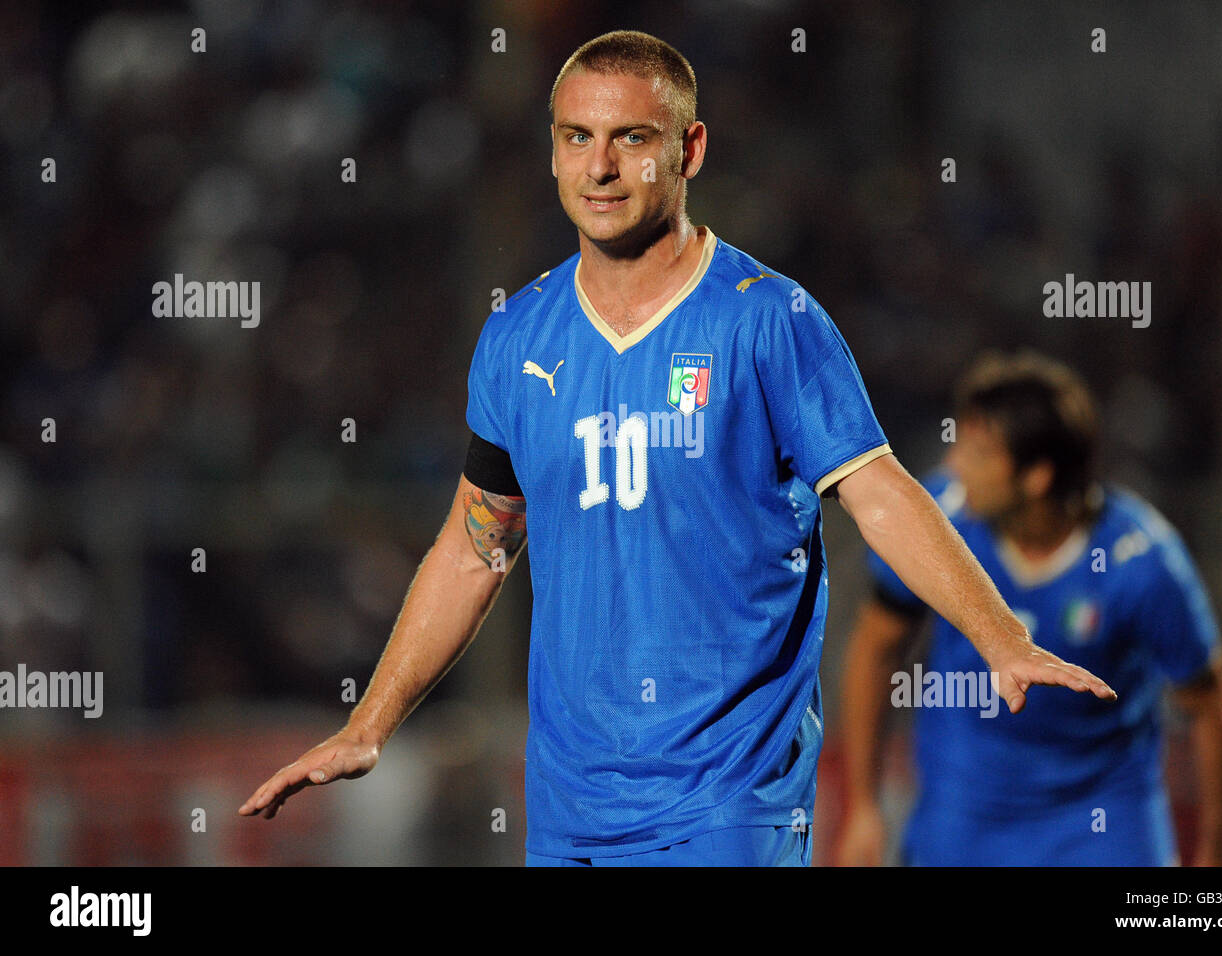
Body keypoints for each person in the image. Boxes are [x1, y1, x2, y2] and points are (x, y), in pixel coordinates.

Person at [239, 31, 1115, 866]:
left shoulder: (770, 320)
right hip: (569, 810)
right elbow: (477, 547)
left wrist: (1000, 637)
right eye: (577, 137)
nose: (600, 165)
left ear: (690, 150)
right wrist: (370, 726)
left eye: (631, 138)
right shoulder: (517, 337)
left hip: (726, 804)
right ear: (552, 151)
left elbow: (877, 491)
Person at [835, 350, 1222, 867]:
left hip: (1100, 824)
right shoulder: (934, 519)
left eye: (981, 454)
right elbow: (876, 648)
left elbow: (1214, 710)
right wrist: (864, 808)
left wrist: (1217, 854)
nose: (956, 465)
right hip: (963, 818)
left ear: (1036, 477)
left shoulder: (1142, 563)